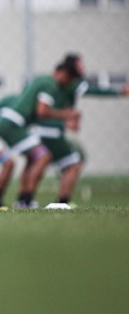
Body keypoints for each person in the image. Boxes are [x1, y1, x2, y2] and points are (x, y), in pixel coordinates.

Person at [25, 54, 129, 206]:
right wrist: (120, 92)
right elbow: (92, 90)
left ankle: (25, 200)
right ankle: (61, 203)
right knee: (73, 163)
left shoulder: (49, 82)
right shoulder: (56, 84)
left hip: (37, 130)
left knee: (37, 161)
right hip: (50, 132)